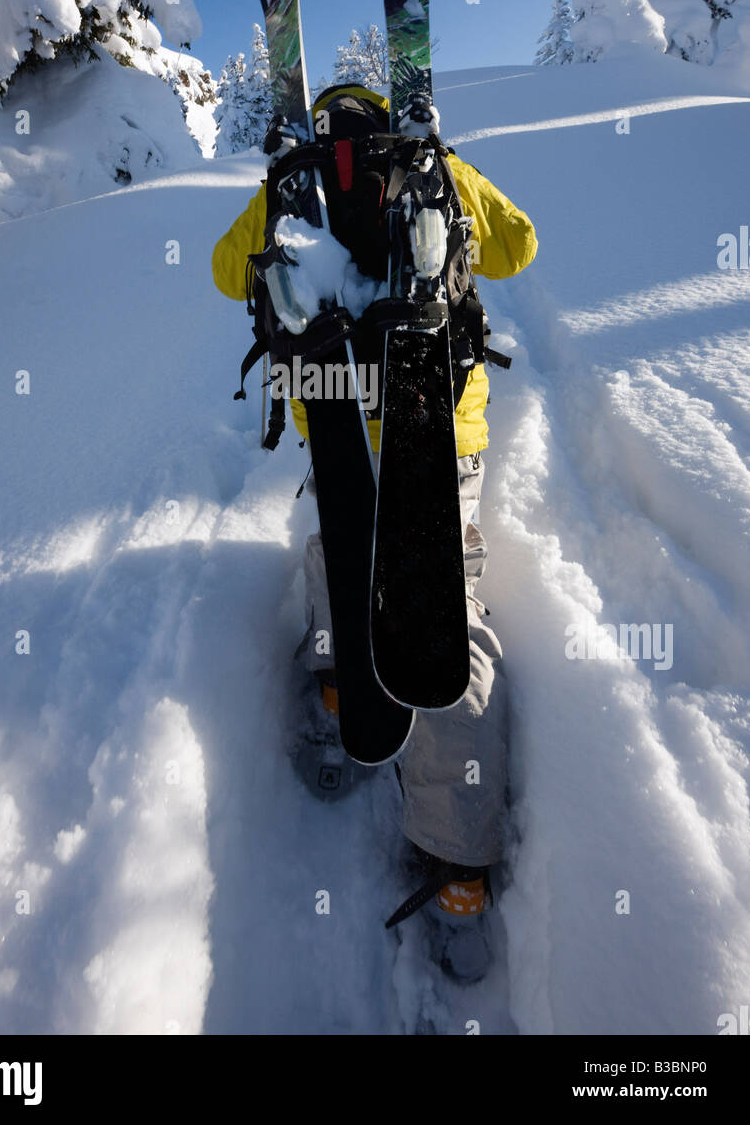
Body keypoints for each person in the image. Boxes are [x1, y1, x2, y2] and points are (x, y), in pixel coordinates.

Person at [212, 83, 537, 975]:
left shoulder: (292, 186)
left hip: (339, 422)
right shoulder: (433, 170)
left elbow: (220, 269)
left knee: (342, 554)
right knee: (440, 611)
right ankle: (457, 866)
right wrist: (450, 172)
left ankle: (335, 700)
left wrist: (280, 190)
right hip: (439, 429)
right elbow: (518, 246)